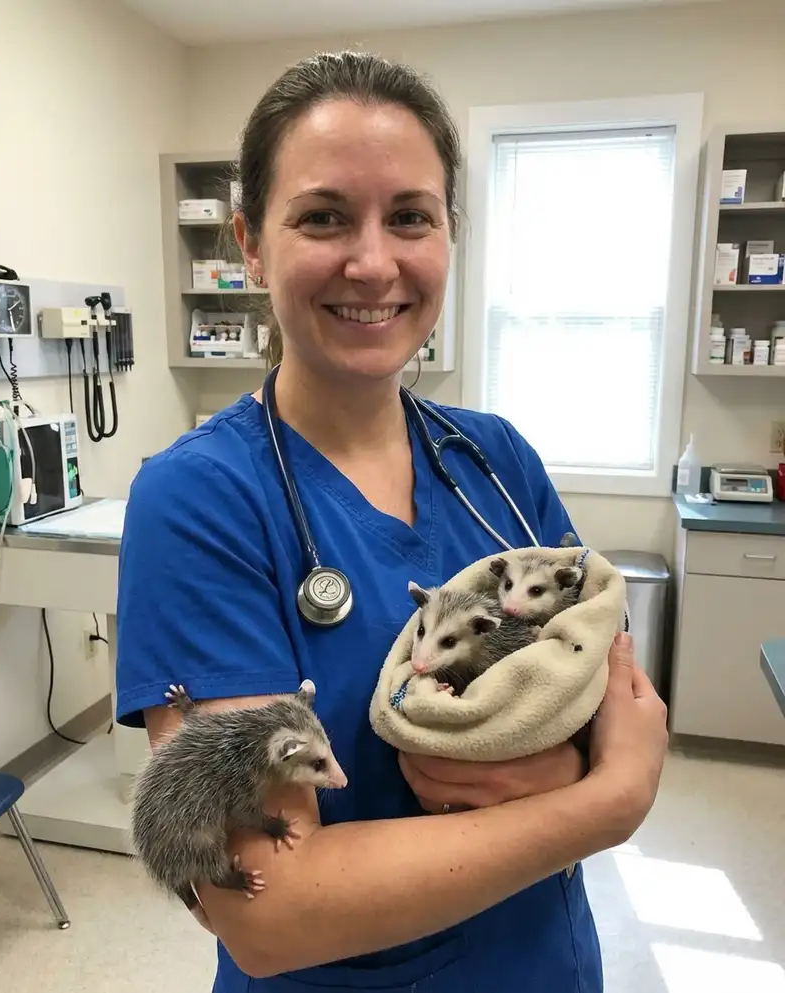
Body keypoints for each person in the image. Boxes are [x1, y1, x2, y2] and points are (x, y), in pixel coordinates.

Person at [115, 50, 669, 993]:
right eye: (323, 217)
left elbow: (610, 691)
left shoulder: (496, 461)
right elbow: (271, 909)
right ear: (250, 243)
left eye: (410, 216)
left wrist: (576, 759)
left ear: (450, 233)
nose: (373, 264)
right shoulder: (200, 498)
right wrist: (605, 797)